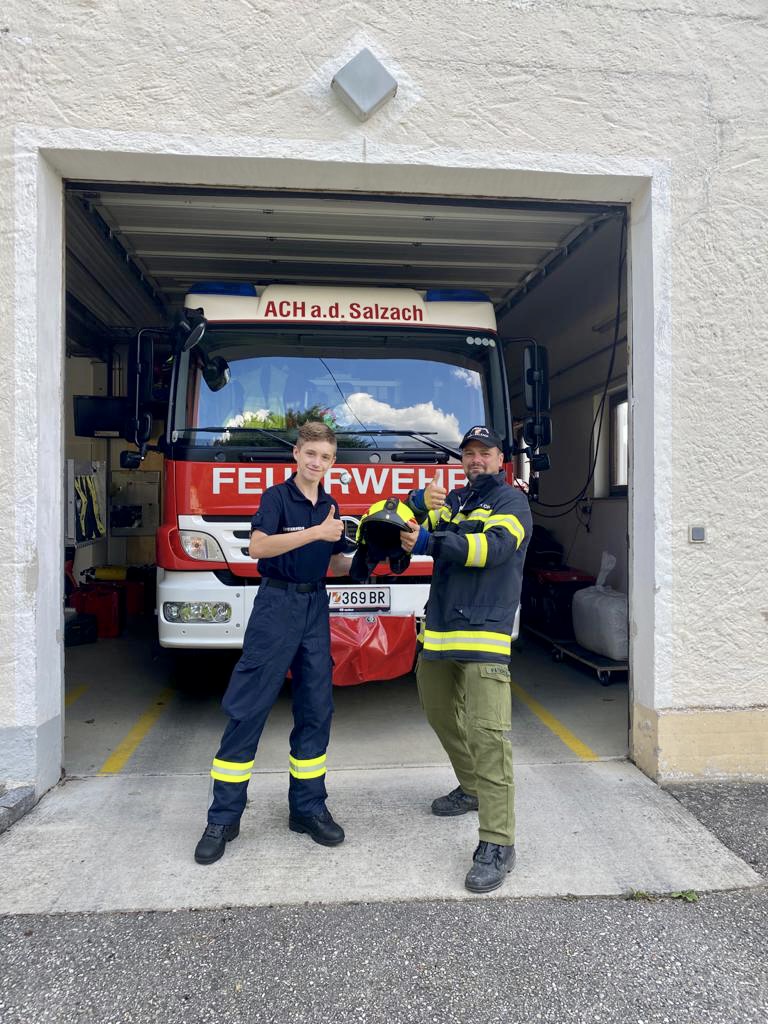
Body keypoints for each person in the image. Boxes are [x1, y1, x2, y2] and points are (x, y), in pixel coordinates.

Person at [194, 421, 353, 865]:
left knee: (316, 709)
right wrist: (317, 533)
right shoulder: (276, 498)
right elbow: (259, 548)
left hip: (314, 607)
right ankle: (223, 817)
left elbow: (334, 565)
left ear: (332, 462)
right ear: (296, 456)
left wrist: (367, 558)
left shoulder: (331, 506)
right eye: (310, 454)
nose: (316, 462)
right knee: (248, 708)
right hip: (276, 607)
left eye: (324, 456)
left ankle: (307, 809)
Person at [400, 425, 532, 893]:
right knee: (438, 711)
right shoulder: (453, 501)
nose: (476, 460)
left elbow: (493, 550)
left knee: (488, 734)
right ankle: (472, 786)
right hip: (439, 630)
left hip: (483, 635)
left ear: (501, 459)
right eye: (469, 453)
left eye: (485, 453)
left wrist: (429, 543)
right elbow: (397, 522)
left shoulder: (512, 503)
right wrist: (415, 505)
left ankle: (498, 841)